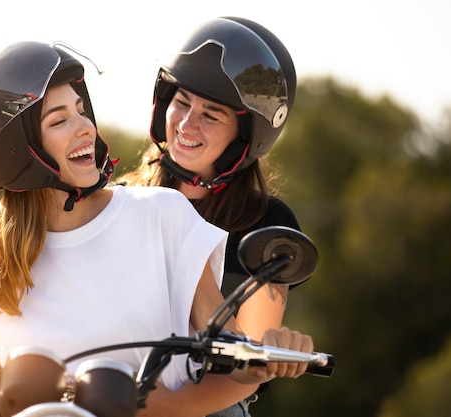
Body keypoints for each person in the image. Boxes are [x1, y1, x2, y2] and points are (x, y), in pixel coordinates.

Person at [0, 40, 313, 417]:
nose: (85, 127)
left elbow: (236, 357)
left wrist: (268, 355)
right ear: (14, 150)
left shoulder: (160, 216)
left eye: (82, 110)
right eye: (60, 119)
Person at [117, 17, 304, 417]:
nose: (186, 124)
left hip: (206, 404)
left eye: (211, 114)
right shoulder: (123, 199)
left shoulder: (268, 224)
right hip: (116, 389)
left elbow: (248, 359)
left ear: (244, 135)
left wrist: (167, 407)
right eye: (181, 102)